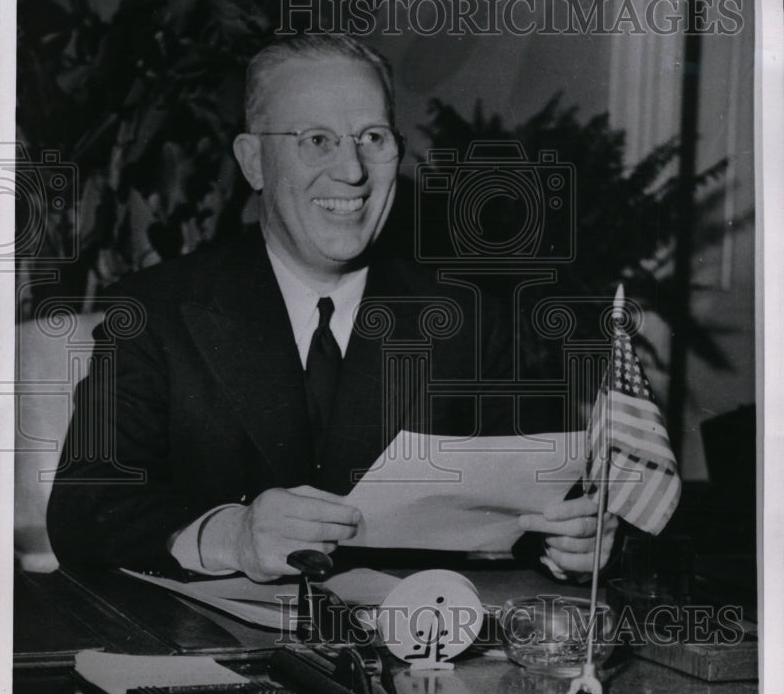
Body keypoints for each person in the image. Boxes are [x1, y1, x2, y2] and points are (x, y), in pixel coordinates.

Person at [47, 33, 616, 581]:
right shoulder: (157, 310)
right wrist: (231, 536)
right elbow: (84, 510)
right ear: (252, 162)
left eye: (372, 138)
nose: (352, 172)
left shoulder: (468, 322)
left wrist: (569, 545)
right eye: (317, 140)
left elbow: (539, 509)